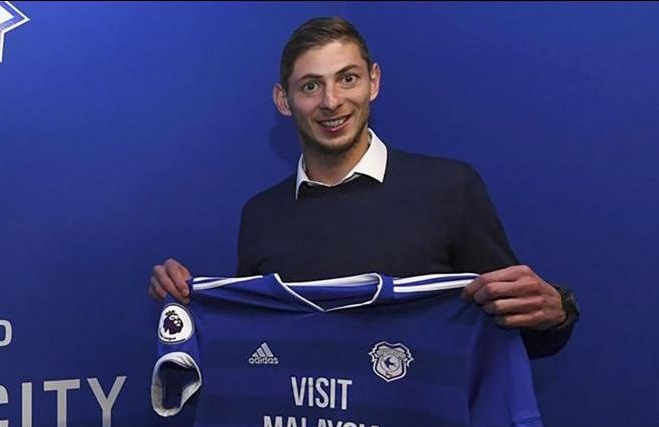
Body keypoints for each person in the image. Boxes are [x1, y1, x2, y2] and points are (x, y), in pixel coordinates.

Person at [149, 16, 578, 359]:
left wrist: (556, 313)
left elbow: (520, 331)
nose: (331, 101)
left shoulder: (450, 188)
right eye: (311, 86)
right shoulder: (261, 214)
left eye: (348, 78)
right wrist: (187, 303)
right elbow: (252, 349)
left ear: (374, 81)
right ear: (283, 100)